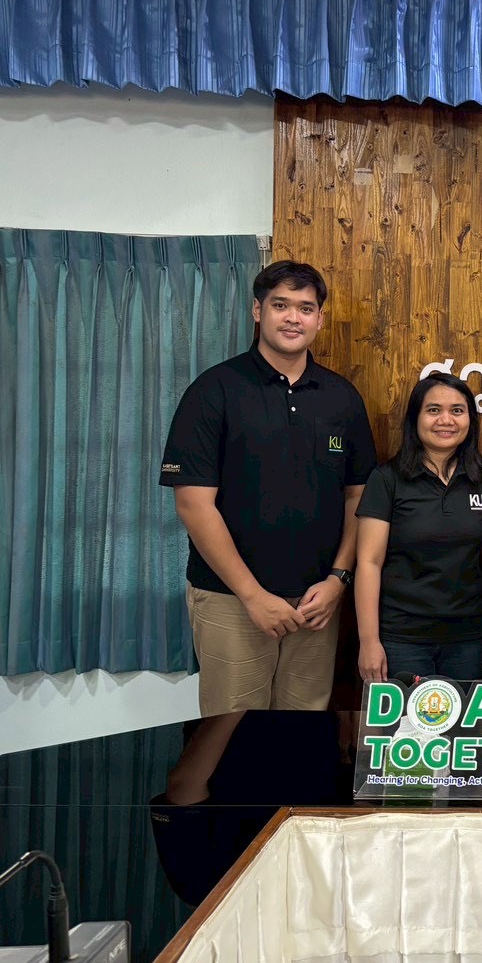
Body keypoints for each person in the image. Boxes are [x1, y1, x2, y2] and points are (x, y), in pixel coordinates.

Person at [161, 260, 376, 715]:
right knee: (233, 736)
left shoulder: (342, 398)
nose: (293, 318)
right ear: (258, 311)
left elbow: (359, 498)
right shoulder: (214, 391)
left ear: (320, 319)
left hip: (316, 604)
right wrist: (253, 596)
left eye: (306, 308)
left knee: (301, 734)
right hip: (232, 601)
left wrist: (338, 580)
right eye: (281, 305)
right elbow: (193, 505)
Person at [354, 373, 482, 683]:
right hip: (402, 638)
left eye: (457, 410)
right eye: (434, 410)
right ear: (415, 418)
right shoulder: (387, 479)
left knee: (464, 716)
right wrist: (368, 641)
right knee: (408, 717)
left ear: (470, 420)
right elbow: (369, 562)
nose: (446, 420)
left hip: (468, 638)